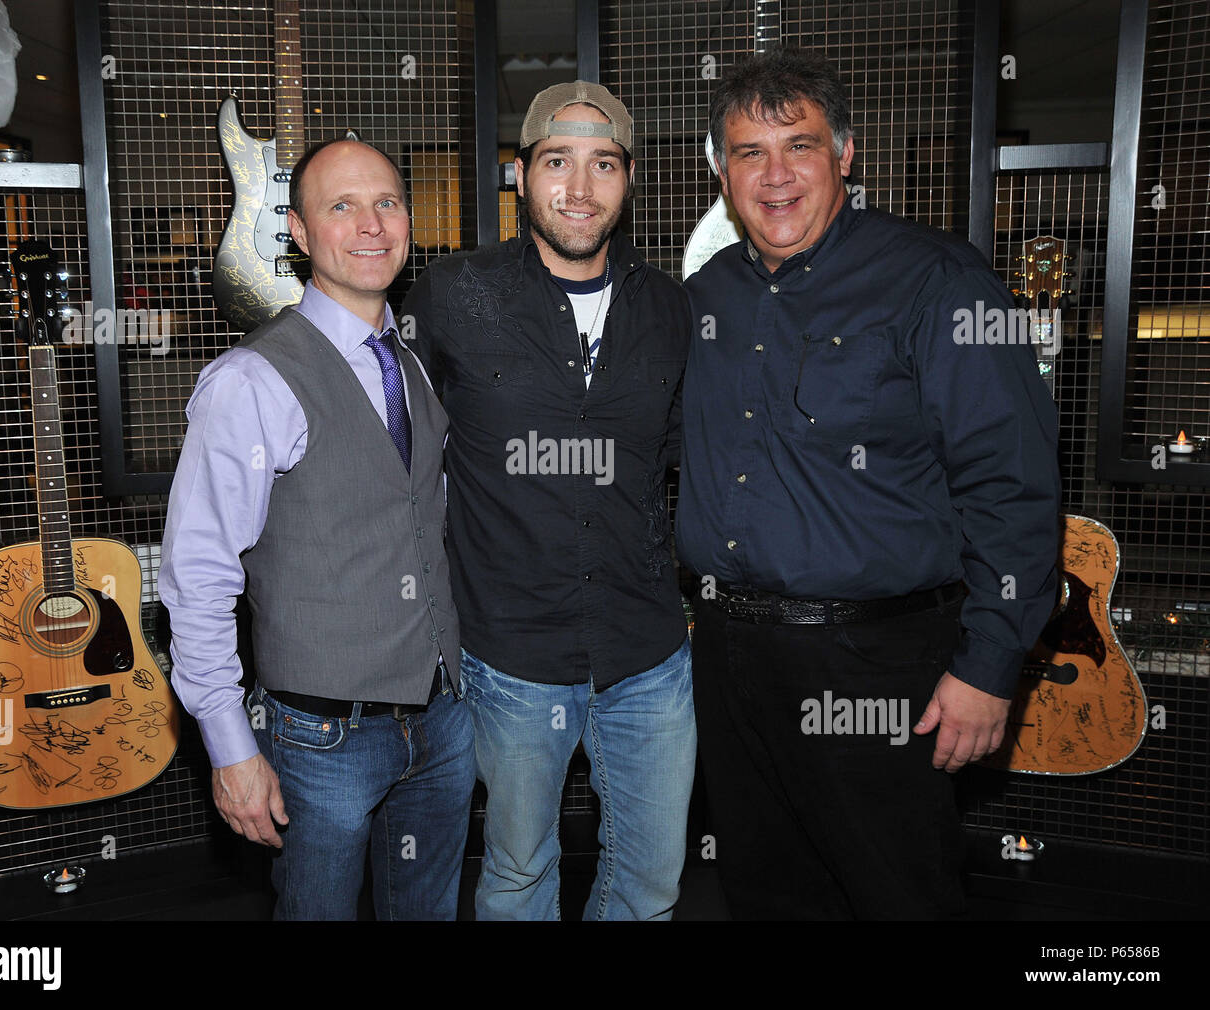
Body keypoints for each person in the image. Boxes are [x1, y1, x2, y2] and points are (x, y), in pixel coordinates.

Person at [676, 47, 1061, 919]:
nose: (775, 177)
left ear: (845, 155)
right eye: (748, 153)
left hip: (879, 667)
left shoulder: (937, 279)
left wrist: (991, 666)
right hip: (731, 657)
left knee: (895, 894)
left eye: (799, 147)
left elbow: (1015, 483)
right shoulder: (705, 298)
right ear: (720, 171)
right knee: (764, 890)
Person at [159, 138, 474, 920]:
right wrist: (231, 750)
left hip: (442, 720)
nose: (371, 226)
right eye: (342, 207)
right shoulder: (250, 381)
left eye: (388, 203)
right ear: (298, 233)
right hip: (319, 739)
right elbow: (197, 576)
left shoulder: (412, 360)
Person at [401, 81, 695, 920]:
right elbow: (396, 451)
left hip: (648, 656)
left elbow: (678, 459)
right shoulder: (455, 294)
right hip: (511, 658)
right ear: (520, 175)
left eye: (603, 164)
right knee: (519, 873)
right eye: (556, 161)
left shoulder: (671, 309)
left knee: (651, 883)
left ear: (627, 178)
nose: (579, 187)